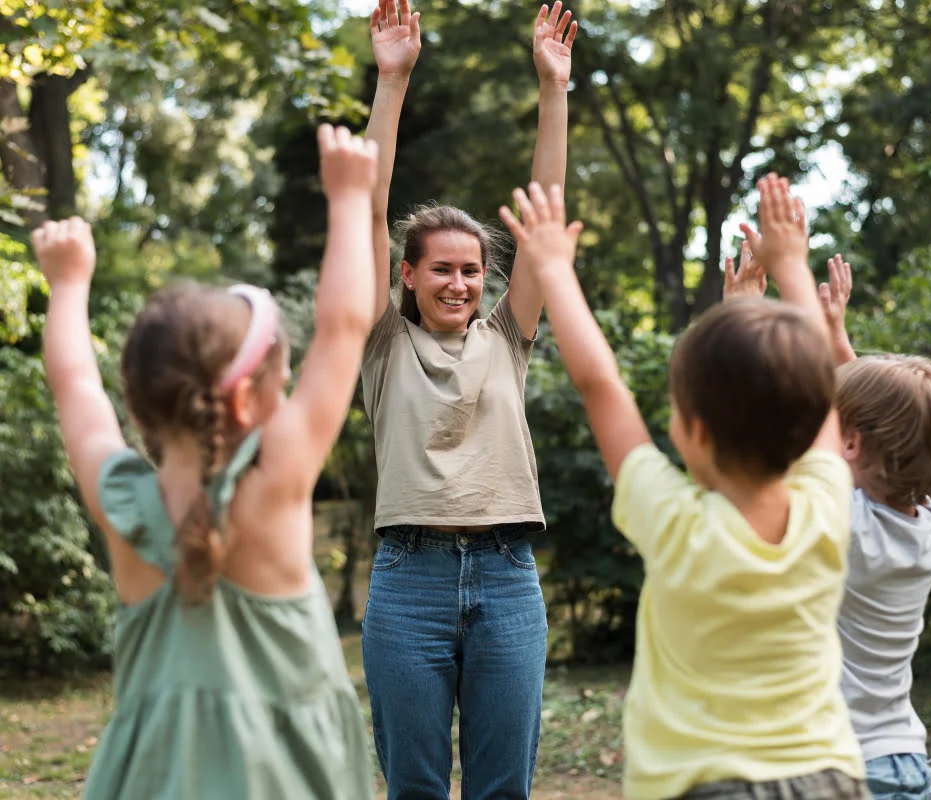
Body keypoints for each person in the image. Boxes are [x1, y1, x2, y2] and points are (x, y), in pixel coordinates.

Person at [32, 125, 379, 800]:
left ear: (138, 398)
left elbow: (75, 383)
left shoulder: (122, 499)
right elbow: (343, 327)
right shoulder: (275, 482)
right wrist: (348, 197)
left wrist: (68, 283)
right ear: (250, 400)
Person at [500, 176, 868, 799]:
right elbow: (818, 389)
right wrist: (789, 267)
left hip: (702, 786)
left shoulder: (675, 524)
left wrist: (555, 269)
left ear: (693, 430)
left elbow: (601, 384)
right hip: (829, 779)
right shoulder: (828, 505)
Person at [358, 1, 577, 797]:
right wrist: (393, 78)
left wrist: (553, 90)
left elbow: (544, 216)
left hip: (507, 576)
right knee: (413, 787)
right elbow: (364, 208)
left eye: (472, 270)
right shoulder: (381, 341)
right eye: (441, 268)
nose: (460, 282)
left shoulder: (505, 340)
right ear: (407, 274)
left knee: (501, 790)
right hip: (408, 580)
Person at [818, 255, 931, 800]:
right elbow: (893, 421)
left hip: (843, 769)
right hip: (904, 762)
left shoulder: (843, 522)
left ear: (851, 443)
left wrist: (758, 301)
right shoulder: (928, 527)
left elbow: (839, 431)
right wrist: (836, 333)